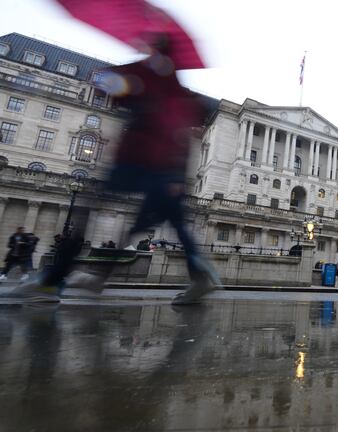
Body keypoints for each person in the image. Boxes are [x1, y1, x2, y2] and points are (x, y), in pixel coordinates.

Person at [7, 33, 219, 304]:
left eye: (153, 47)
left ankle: (54, 281)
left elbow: (107, 84)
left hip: (139, 161)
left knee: (92, 213)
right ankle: (196, 280)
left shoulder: (152, 79)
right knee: (153, 225)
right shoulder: (170, 87)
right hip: (158, 167)